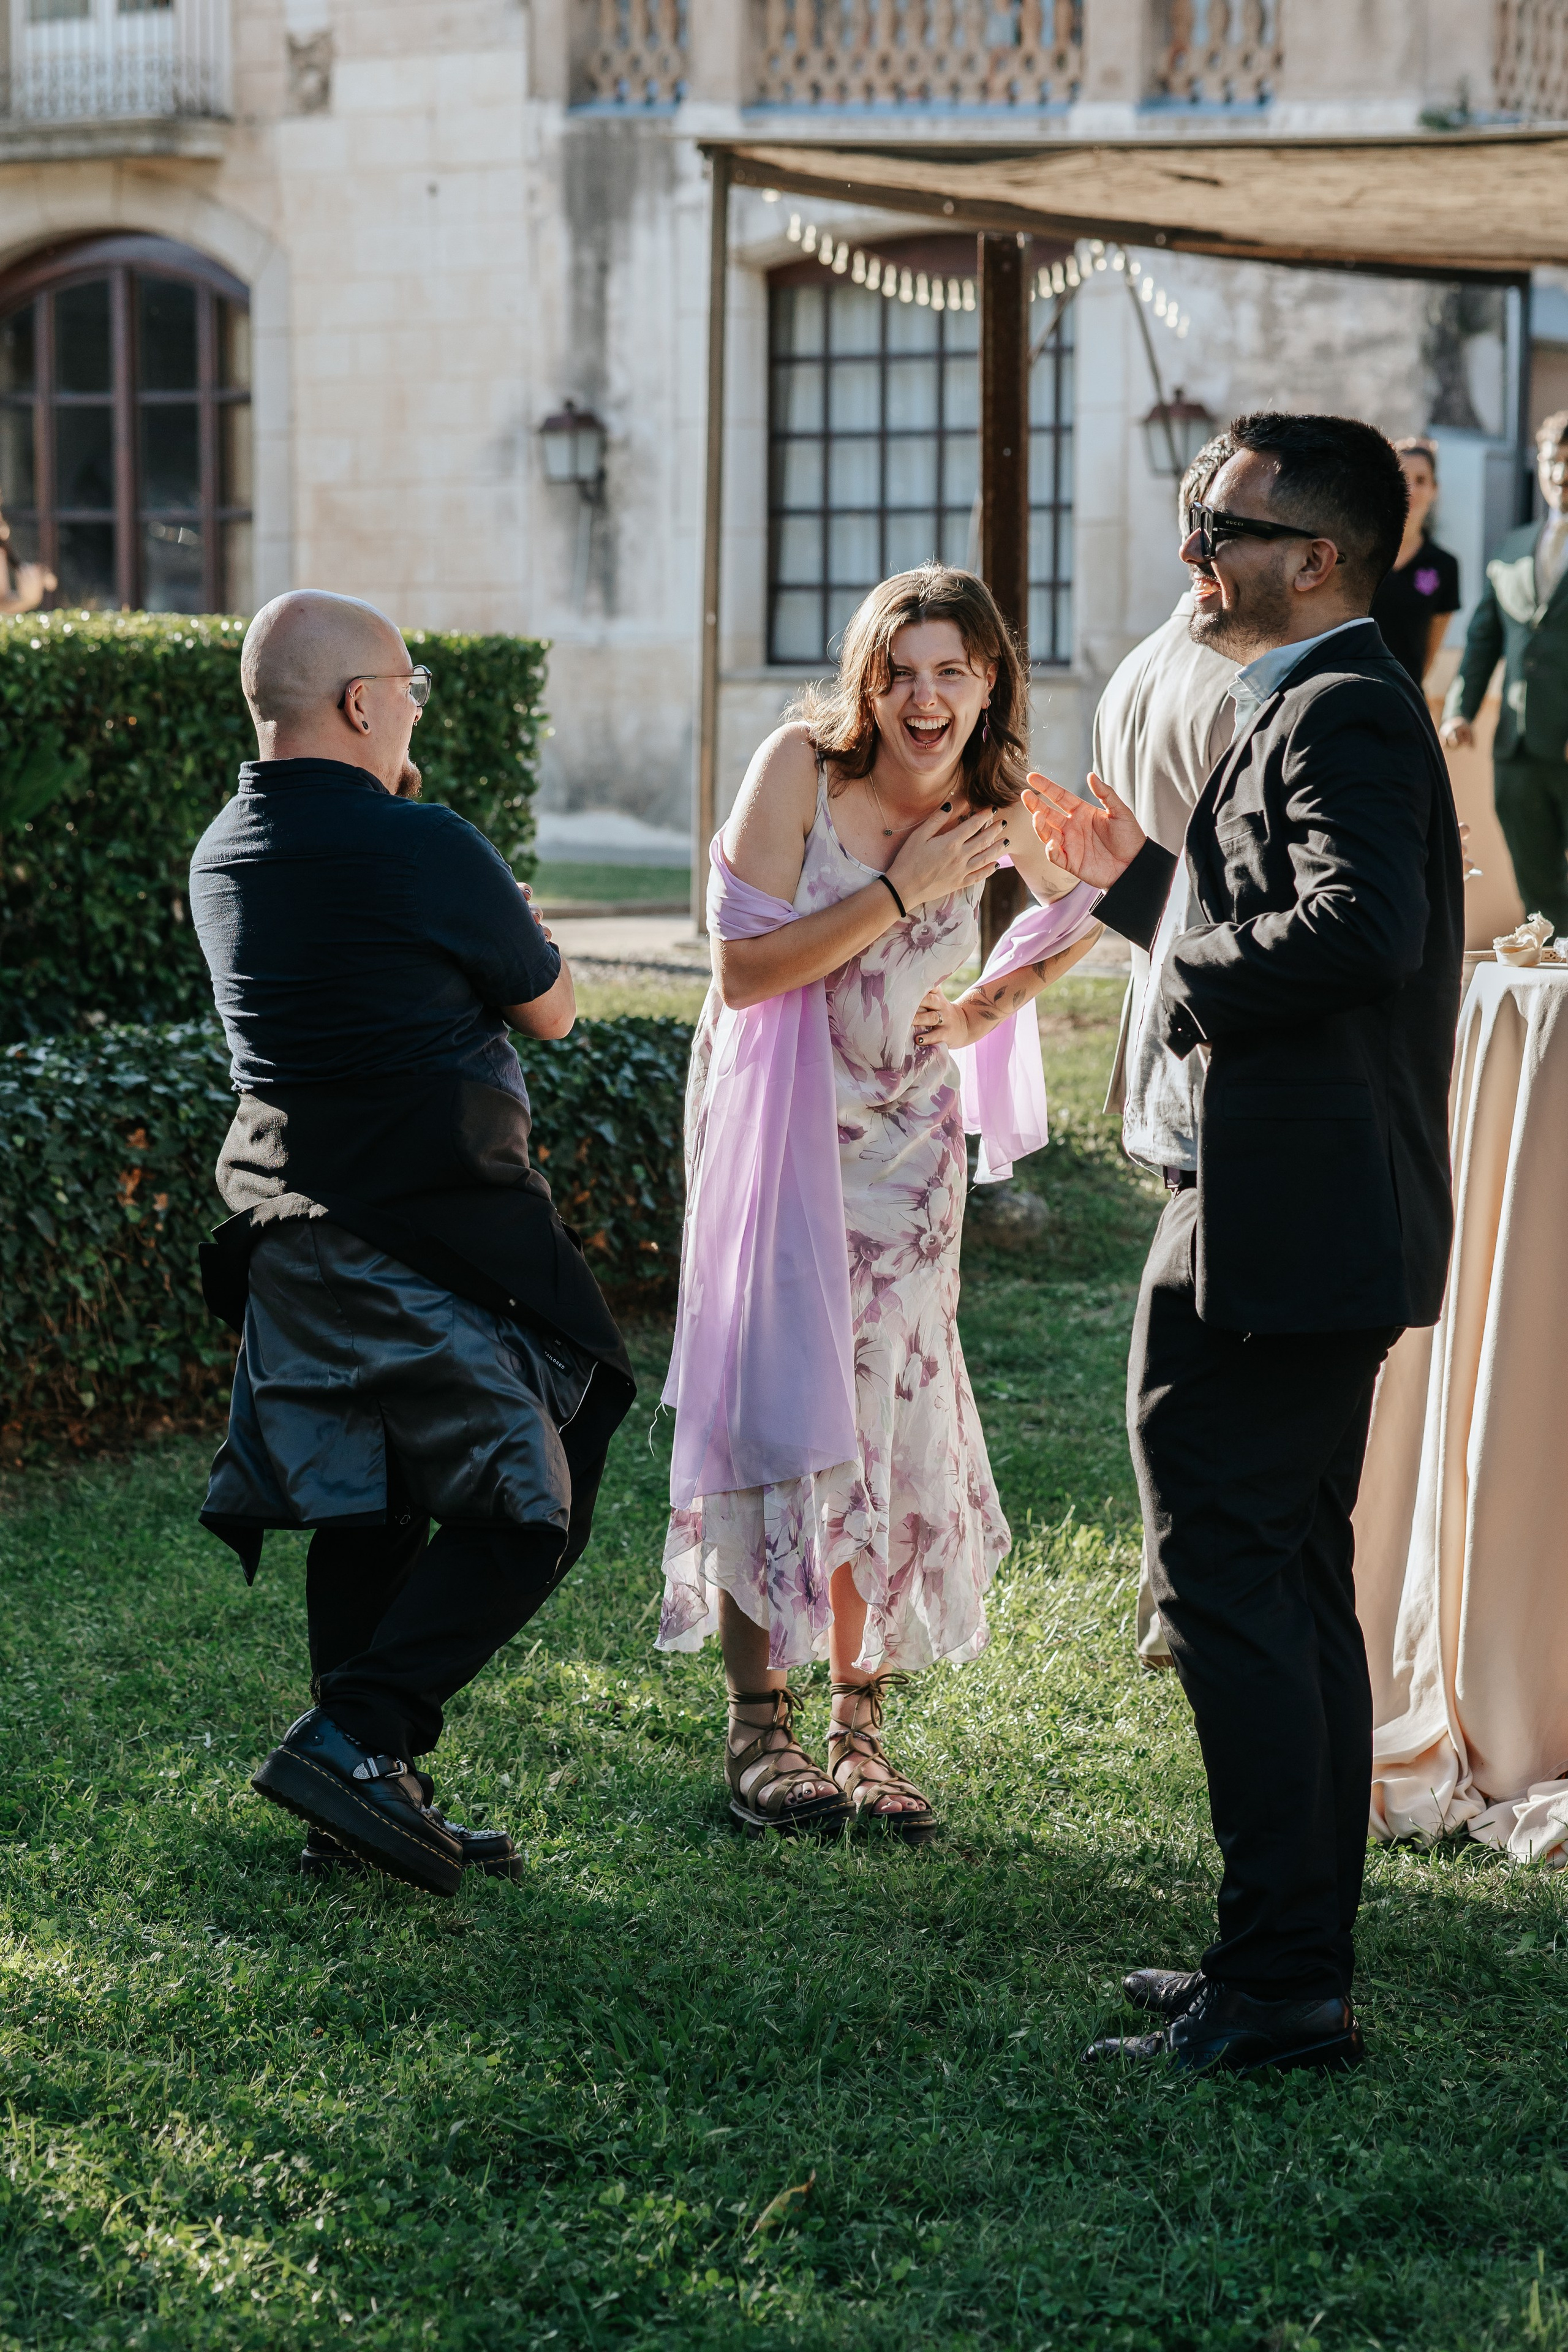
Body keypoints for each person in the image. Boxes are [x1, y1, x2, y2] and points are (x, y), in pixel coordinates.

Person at [1028, 413, 1463, 2076]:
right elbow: (1281, 905)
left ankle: (1280, 1986)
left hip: (1287, 1220)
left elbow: (1364, 925)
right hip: (1291, 1207)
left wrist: (1191, 975)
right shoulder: (1306, 696)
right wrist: (1139, 885)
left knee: (1231, 1581)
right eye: (1199, 515)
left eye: (1227, 522)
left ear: (1322, 557)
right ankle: (1284, 1955)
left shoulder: (1342, 705)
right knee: (1283, 1582)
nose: (1198, 549)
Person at [189, 590, 635, 1898]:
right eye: (410, 688)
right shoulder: (424, 841)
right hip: (430, 1227)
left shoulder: (222, 848)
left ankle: (362, 1797)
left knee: (366, 1490)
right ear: (362, 704)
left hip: (286, 1222)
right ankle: (359, 1734)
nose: (419, 710)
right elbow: (548, 1007)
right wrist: (502, 913)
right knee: (549, 1476)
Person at [658, 565, 1104, 1841]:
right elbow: (742, 972)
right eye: (899, 670)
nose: (923, 697)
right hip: (782, 1132)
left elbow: (1093, 902)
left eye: (949, 672)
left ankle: (859, 1725)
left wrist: (980, 1009)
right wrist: (901, 894)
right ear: (867, 680)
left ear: (986, 684)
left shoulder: (990, 797)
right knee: (777, 1404)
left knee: (887, 1413)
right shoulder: (800, 769)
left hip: (908, 1156)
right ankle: (759, 1724)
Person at [1092, 430, 1239, 1669]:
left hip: (1160, 1019)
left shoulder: (1138, 664)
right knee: (1205, 1355)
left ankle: (1164, 1595)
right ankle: (1177, 1600)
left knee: (1179, 1338)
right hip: (1224, 1035)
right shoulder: (1235, 685)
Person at [1441, 410, 1568, 933]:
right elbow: (1482, 640)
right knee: (1539, 890)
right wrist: (1459, 710)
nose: (1561, 475)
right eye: (1552, 461)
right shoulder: (1511, 548)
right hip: (1518, 748)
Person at [1370, 437, 1461, 691]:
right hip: (1346, 691)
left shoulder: (1444, 566)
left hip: (1406, 696)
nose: (1410, 488)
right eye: (1402, 478)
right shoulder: (1358, 554)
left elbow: (1429, 654)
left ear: (1435, 489)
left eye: (1421, 480)